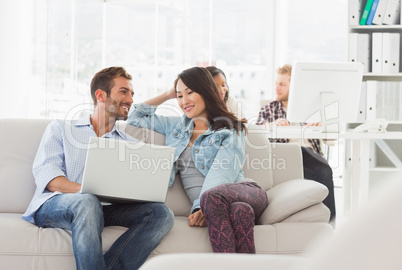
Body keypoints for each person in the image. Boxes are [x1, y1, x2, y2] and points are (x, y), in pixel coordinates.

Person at [22, 67, 174, 270]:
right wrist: (90, 191)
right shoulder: (61, 128)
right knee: (87, 200)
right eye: (123, 91)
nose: (130, 99)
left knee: (161, 213)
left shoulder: (128, 144)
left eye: (131, 93)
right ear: (101, 95)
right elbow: (51, 180)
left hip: (103, 209)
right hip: (55, 204)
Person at [127, 66, 268, 253]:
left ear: (205, 90)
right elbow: (135, 117)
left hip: (247, 192)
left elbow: (222, 172)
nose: (184, 101)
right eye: (179, 96)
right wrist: (169, 94)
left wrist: (201, 207)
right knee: (240, 212)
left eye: (190, 92)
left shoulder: (230, 129)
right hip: (227, 205)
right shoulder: (174, 127)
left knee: (215, 198)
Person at [256, 64, 336, 221]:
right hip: (284, 154)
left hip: (309, 153)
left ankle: (329, 222)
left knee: (325, 171)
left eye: (282, 84)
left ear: (294, 87)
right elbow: (256, 132)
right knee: (317, 171)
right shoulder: (269, 109)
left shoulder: (311, 110)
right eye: (276, 83)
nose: (277, 88)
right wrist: (273, 125)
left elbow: (331, 139)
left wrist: (321, 126)